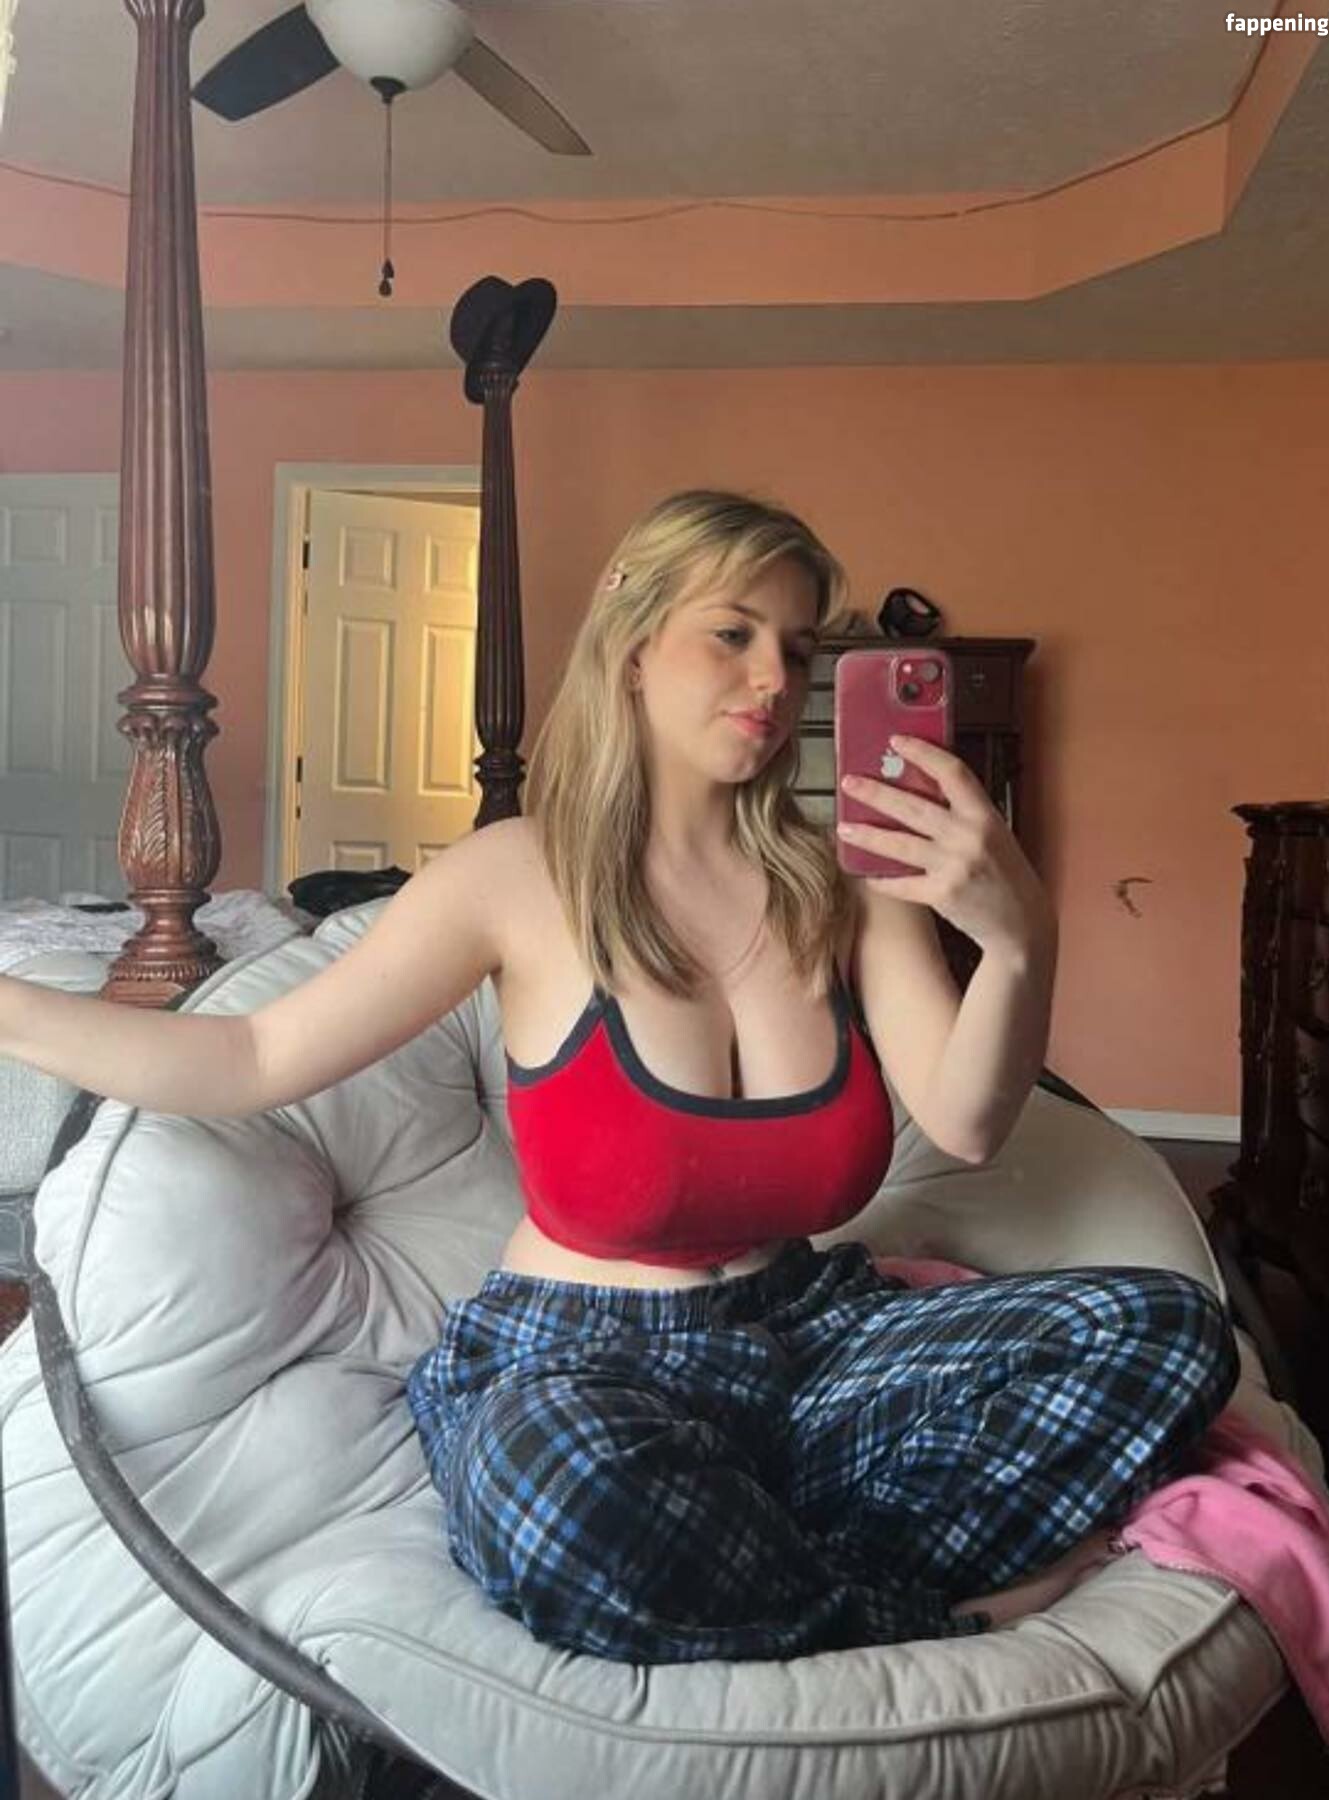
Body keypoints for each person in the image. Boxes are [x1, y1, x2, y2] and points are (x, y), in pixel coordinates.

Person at [0, 489, 1237, 1664]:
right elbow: (252, 1055)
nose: (774, 679)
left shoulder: (846, 886)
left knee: (1162, 1328)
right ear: (634, 647)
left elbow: (966, 1122)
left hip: (812, 1336)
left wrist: (1020, 938)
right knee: (561, 1496)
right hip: (581, 1363)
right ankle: (919, 1607)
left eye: (799, 648)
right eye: (732, 634)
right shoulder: (515, 875)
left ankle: (757, 1567)